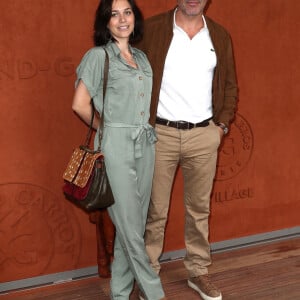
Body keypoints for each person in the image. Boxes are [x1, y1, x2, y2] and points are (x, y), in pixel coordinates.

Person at [137, 1, 238, 300]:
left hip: (203, 135)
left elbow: (230, 84)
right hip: (160, 134)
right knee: (154, 210)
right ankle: (148, 274)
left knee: (199, 209)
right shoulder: (152, 29)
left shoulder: (219, 35)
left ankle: (198, 271)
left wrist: (221, 127)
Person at [71, 0, 167, 299]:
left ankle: (120, 294)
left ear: (135, 18)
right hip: (116, 145)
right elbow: (79, 104)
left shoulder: (142, 57)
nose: (122, 19)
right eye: (114, 14)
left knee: (133, 229)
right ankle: (156, 294)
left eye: (127, 12)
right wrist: (108, 130)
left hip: (146, 143)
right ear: (105, 22)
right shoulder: (98, 56)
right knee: (128, 226)